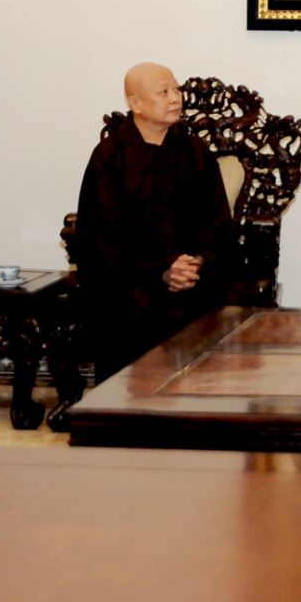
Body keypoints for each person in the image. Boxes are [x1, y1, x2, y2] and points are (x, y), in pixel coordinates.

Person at [71, 63, 242, 382]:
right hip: (134, 285)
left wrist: (196, 262)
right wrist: (162, 270)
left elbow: (219, 223)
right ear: (135, 103)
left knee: (226, 304)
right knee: (127, 310)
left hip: (196, 280)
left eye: (176, 89)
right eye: (164, 92)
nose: (176, 98)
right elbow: (101, 239)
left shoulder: (194, 151)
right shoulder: (110, 157)